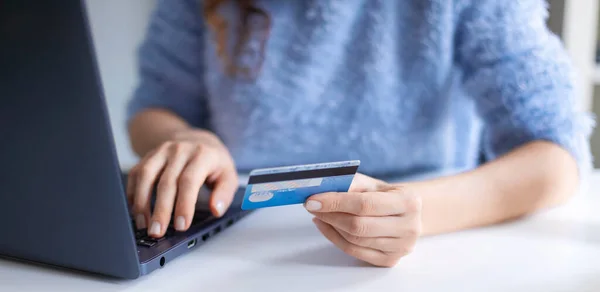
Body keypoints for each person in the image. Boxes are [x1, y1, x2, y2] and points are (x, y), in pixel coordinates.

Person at [126, 0, 593, 267]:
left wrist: (418, 210)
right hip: (230, 249)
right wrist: (188, 139)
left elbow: (556, 156)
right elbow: (154, 106)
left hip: (430, 253)